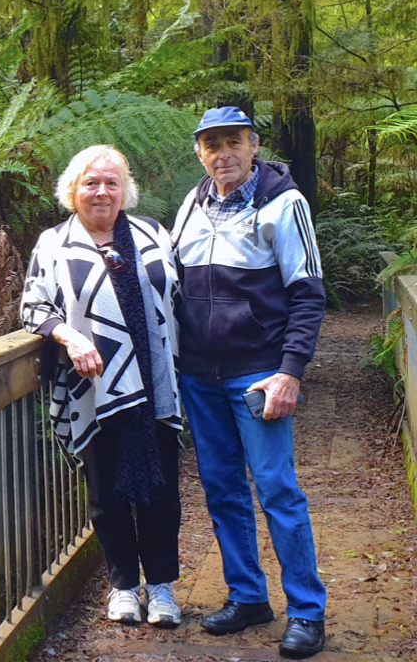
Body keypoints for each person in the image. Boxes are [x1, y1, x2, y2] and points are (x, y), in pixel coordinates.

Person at [171, 107, 326, 658]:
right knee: (222, 489)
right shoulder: (191, 206)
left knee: (277, 488)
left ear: (254, 144)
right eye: (212, 145)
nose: (223, 154)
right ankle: (247, 596)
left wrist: (290, 371)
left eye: (233, 142)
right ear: (199, 152)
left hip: (259, 372)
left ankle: (307, 610)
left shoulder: (284, 203)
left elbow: (308, 294)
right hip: (200, 375)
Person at [21, 145, 183, 627]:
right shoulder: (53, 243)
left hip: (156, 384)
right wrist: (68, 336)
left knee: (162, 490)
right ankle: (124, 588)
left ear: (125, 191)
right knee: (107, 493)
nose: (102, 191)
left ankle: (163, 588)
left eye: (112, 183)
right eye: (91, 182)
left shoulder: (154, 234)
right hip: (94, 386)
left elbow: (181, 298)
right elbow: (33, 306)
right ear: (73, 189)